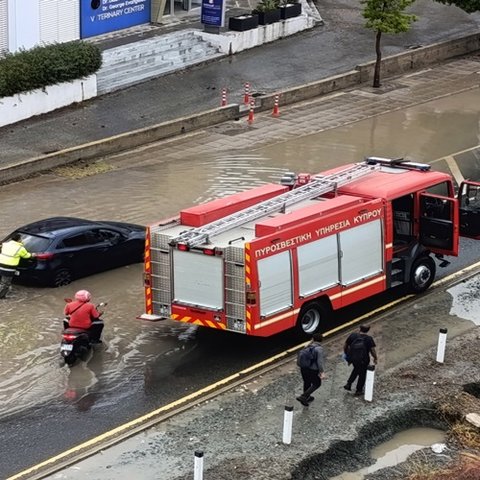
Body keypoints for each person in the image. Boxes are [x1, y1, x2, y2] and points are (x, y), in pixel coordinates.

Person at [343, 324, 378, 396]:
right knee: (362, 374)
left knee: (356, 369)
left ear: (360, 328)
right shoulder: (369, 339)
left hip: (353, 358)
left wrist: (348, 356)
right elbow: (372, 350)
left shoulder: (353, 335)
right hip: (364, 360)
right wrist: (375, 358)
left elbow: (345, 346)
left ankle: (349, 383)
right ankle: (358, 390)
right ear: (368, 330)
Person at [0, 233, 37, 299]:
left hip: (0, 264)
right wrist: (33, 255)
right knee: (5, 283)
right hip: (8, 268)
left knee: (2, 281)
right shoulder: (20, 248)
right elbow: (26, 256)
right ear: (18, 240)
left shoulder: (5, 244)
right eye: (21, 239)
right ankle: (1, 296)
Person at [296, 332, 326, 407]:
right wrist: (321, 372)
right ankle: (304, 396)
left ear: (312, 339)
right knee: (317, 383)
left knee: (307, 382)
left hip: (303, 368)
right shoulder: (319, 349)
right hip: (312, 369)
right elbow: (320, 362)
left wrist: (311, 341)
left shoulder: (307, 346)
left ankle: (306, 398)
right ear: (321, 340)